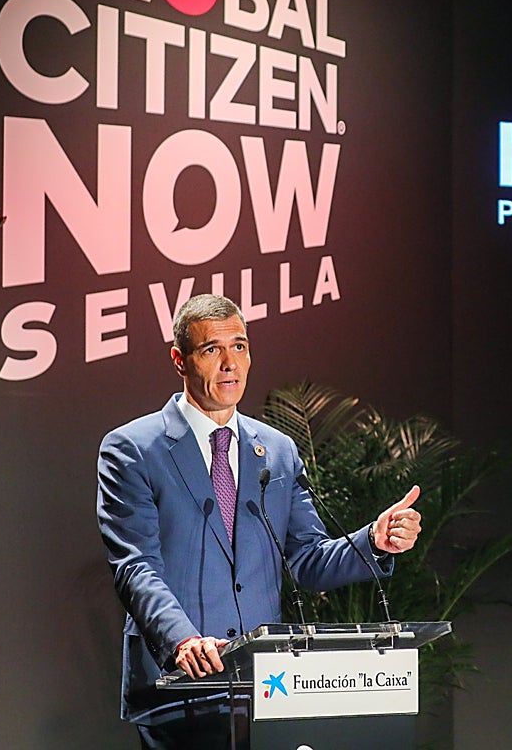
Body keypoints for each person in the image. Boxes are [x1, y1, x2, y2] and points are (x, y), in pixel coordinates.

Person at [97, 294, 422, 748]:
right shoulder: (133, 449)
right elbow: (136, 567)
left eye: (240, 346)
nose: (230, 363)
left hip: (267, 688)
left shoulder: (277, 451)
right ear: (179, 360)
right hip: (179, 688)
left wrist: (373, 541)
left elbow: (307, 559)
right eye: (212, 349)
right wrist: (183, 641)